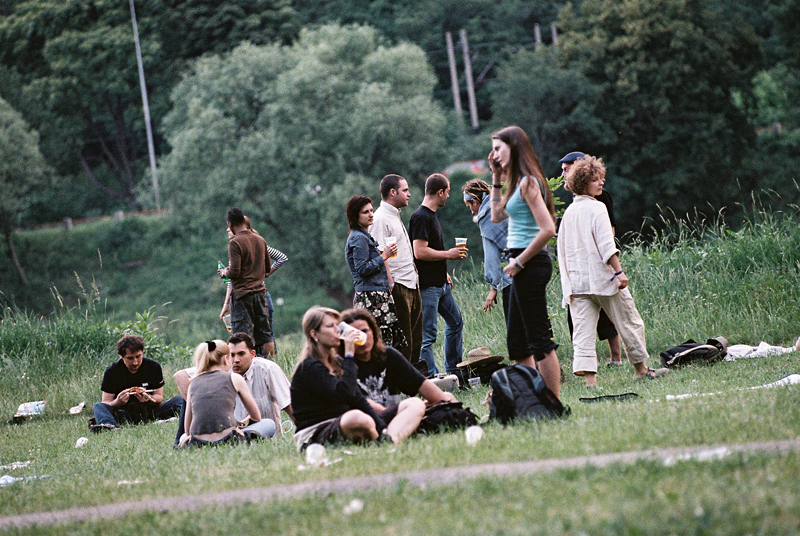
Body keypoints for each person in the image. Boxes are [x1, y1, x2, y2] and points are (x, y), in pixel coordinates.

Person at [557, 155, 669, 387]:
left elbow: (562, 251)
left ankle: (591, 382)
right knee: (629, 321)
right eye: (595, 180)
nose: (601, 183)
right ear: (583, 184)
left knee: (583, 332)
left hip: (577, 283)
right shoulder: (598, 208)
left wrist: (568, 284)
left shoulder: (569, 212)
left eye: (601, 179)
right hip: (604, 279)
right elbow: (606, 245)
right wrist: (619, 272)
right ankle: (641, 370)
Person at [489, 126, 561, 398]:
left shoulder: (529, 183)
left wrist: (519, 261)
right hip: (519, 264)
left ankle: (552, 402)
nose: (494, 154)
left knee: (539, 339)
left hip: (530, 262)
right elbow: (496, 216)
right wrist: (496, 177)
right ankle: (532, 397)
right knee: (518, 343)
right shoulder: (516, 183)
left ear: (514, 147)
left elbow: (548, 228)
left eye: (498, 148)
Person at [290, 307, 419, 451]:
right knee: (356, 418)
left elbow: (358, 400)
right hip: (316, 432)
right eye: (330, 326)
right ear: (314, 334)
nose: (337, 330)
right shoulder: (309, 367)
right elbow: (345, 393)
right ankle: (380, 441)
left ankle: (389, 441)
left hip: (346, 422)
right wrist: (349, 354)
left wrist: (382, 427)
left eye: (337, 325)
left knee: (414, 404)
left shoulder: (337, 363)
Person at [340, 308, 456, 425]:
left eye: (364, 331)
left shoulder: (388, 356)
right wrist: (410, 409)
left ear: (373, 332)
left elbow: (424, 386)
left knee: (447, 397)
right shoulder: (342, 365)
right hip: (365, 423)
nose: (361, 338)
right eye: (353, 335)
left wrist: (445, 404)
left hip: (398, 415)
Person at [559, 151, 622, 367]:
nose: (563, 174)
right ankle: (588, 363)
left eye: (566, 169)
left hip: (599, 262)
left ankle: (617, 358)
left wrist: (610, 262)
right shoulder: (574, 202)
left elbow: (608, 231)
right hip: (579, 269)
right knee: (579, 319)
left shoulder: (600, 197)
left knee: (608, 314)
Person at [173, 332, 293, 436]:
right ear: (226, 357)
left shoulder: (267, 369)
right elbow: (180, 376)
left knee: (267, 424)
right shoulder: (223, 370)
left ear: (252, 354)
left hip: (256, 431)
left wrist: (302, 429)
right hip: (231, 432)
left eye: (241, 354)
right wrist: (200, 406)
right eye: (232, 355)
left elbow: (288, 403)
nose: (236, 360)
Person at [409, 173, 466, 379]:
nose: (448, 196)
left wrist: (444, 272)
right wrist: (449, 254)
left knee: (456, 322)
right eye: (447, 192)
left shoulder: (431, 216)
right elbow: (419, 252)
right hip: (428, 287)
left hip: (441, 284)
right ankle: (432, 379)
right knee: (428, 336)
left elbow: (431, 249)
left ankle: (454, 372)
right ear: (440, 192)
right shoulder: (421, 217)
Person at [91, 335, 185, 445]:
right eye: (130, 358)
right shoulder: (112, 371)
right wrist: (118, 402)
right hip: (125, 412)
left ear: (142, 353)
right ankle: (110, 426)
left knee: (181, 399)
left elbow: (159, 397)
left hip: (150, 410)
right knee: (98, 406)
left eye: (138, 357)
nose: (135, 362)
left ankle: (186, 418)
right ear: (121, 356)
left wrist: (149, 399)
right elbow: (106, 402)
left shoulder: (153, 366)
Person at [370, 174, 423, 364]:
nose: (409, 194)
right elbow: (378, 253)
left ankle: (414, 378)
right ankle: (403, 380)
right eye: (405, 190)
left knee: (416, 339)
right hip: (399, 285)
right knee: (404, 342)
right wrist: (391, 283)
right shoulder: (380, 218)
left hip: (411, 282)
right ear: (393, 192)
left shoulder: (394, 215)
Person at [183, 339, 276, 447]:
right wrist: (240, 425)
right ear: (225, 359)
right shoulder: (234, 378)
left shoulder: (193, 383)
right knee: (268, 424)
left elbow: (187, 430)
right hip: (229, 439)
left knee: (183, 437)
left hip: (198, 443)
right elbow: (256, 416)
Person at [345, 195, 407, 352]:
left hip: (377, 295)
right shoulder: (358, 238)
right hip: (370, 298)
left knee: (387, 343)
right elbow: (362, 269)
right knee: (379, 345)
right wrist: (384, 256)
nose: (371, 214)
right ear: (355, 216)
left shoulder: (363, 235)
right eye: (365, 212)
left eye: (371, 210)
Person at [219, 217, 288, 349]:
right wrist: (226, 303)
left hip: (246, 296)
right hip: (260, 294)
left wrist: (265, 274)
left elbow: (282, 258)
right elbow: (233, 281)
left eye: (230, 226)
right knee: (265, 335)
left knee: (247, 337)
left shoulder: (247, 245)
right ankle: (269, 360)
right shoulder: (250, 243)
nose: (228, 229)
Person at [462, 178, 512, 323]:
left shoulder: (486, 215)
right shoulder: (502, 202)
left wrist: (493, 288)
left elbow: (492, 256)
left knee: (515, 325)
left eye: (469, 206)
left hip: (512, 274)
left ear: (475, 202)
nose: (471, 211)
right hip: (530, 264)